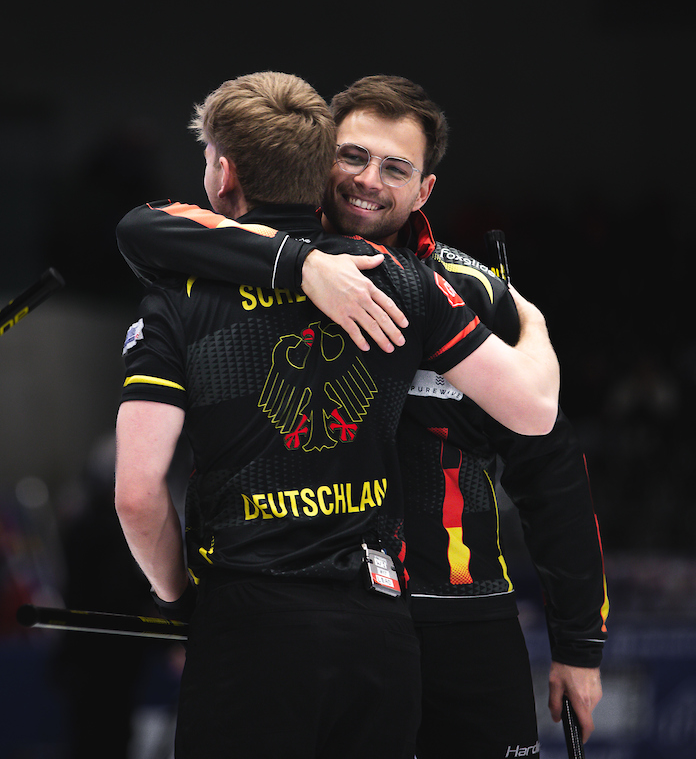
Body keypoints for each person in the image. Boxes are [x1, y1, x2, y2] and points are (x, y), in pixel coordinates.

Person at [116, 74, 607, 756]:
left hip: (458, 613)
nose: (367, 181)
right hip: (343, 611)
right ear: (319, 158)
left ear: (424, 190)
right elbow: (144, 226)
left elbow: (549, 463)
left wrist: (579, 643)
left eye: (395, 168)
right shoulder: (233, 256)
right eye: (352, 157)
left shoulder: (465, 289)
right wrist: (300, 265)